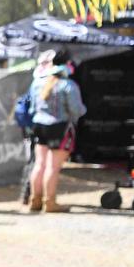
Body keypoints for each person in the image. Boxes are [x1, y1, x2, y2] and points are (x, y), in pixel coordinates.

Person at [26, 48, 86, 213]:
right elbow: (77, 110)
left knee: (39, 164)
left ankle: (34, 199)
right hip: (59, 127)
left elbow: (31, 107)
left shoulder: (37, 82)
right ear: (68, 64)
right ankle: (49, 202)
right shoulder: (68, 85)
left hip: (39, 126)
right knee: (52, 167)